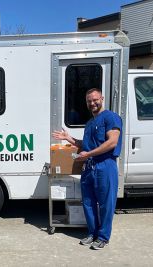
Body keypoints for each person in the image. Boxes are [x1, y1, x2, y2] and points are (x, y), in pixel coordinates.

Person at [52, 88, 122, 250]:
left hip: (105, 166)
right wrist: (68, 138)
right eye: (89, 101)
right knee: (89, 203)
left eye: (95, 100)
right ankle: (92, 233)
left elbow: (112, 142)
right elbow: (86, 145)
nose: (92, 103)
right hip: (89, 167)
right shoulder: (90, 123)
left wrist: (88, 153)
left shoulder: (110, 117)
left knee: (106, 204)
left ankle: (103, 237)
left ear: (102, 98)